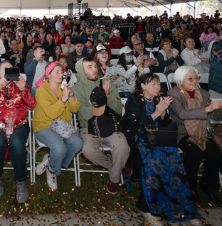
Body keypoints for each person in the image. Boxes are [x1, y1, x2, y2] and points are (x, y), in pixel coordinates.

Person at [121, 73, 199, 226]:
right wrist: (156, 113)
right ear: (143, 86)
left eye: (158, 84)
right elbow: (136, 126)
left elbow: (166, 124)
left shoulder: (158, 99)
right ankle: (147, 207)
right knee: (151, 161)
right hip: (140, 140)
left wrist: (163, 114)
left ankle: (183, 207)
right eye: (153, 84)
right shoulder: (134, 99)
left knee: (175, 159)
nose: (158, 87)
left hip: (159, 139)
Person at [71, 54, 131, 194]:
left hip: (110, 125)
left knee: (123, 147)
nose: (94, 70)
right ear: (81, 71)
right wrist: (99, 101)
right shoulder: (76, 89)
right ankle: (117, 166)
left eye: (95, 66)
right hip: (88, 128)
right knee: (88, 151)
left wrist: (108, 96)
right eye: (89, 67)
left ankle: (114, 179)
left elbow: (118, 109)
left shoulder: (107, 84)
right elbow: (84, 115)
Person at [167, 65, 222, 207]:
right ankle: (190, 186)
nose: (195, 81)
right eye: (190, 78)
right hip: (181, 132)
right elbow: (182, 114)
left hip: (201, 131)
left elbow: (214, 116)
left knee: (215, 152)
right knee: (194, 152)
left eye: (196, 77)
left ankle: (207, 184)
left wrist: (220, 109)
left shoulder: (203, 93)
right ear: (180, 80)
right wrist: (207, 109)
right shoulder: (173, 93)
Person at [0, 60, 35, 203]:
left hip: (20, 124)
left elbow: (32, 105)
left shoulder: (21, 86)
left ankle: (21, 182)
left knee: (17, 143)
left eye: (10, 71)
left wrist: (23, 89)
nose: (7, 75)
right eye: (4, 71)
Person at [33, 61, 83, 191]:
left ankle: (51, 162)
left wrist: (71, 95)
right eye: (57, 72)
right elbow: (51, 113)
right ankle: (53, 171)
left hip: (62, 126)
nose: (61, 74)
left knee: (77, 143)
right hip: (44, 125)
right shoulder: (41, 91)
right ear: (48, 75)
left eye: (62, 71)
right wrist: (63, 100)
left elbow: (75, 109)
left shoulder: (64, 87)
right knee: (59, 148)